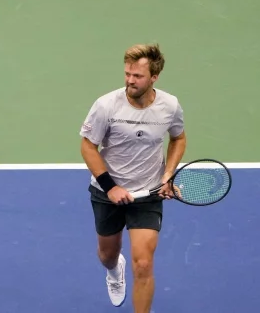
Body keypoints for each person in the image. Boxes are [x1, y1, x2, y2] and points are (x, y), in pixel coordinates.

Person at [78, 43, 187, 312]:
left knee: (144, 263)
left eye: (137, 76)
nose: (130, 80)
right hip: (107, 193)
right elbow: (87, 146)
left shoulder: (169, 106)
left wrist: (168, 175)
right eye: (127, 73)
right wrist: (111, 187)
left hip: (148, 194)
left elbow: (178, 137)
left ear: (154, 77)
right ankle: (115, 272)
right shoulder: (106, 105)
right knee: (107, 255)